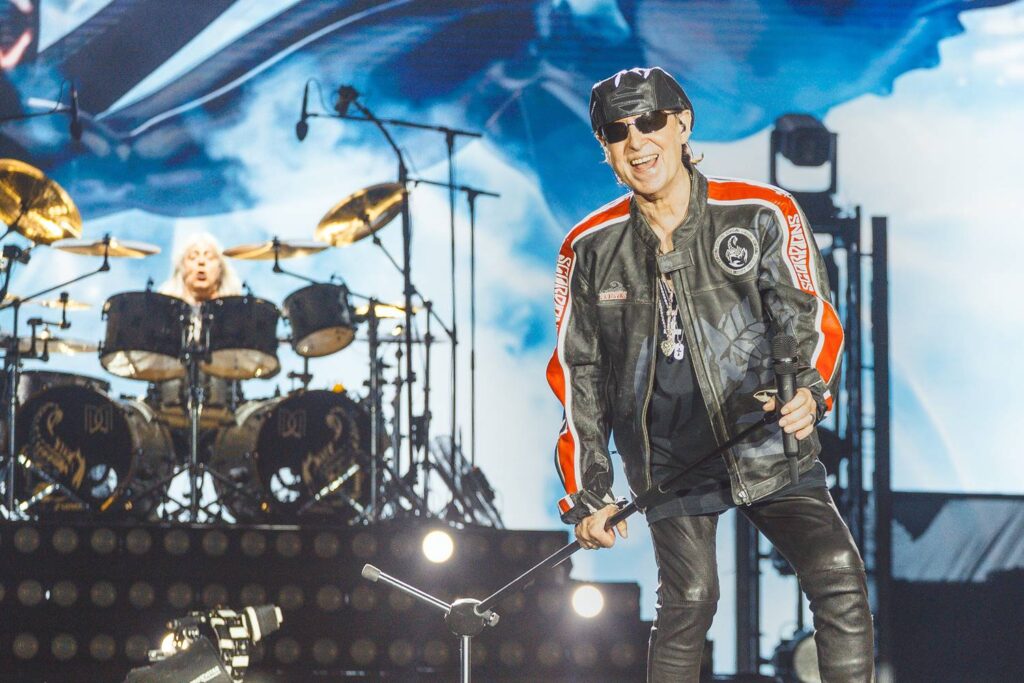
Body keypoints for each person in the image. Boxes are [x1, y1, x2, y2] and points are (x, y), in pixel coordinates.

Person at [547, 67, 873, 681]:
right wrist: (589, 492)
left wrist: (809, 390)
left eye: (650, 122)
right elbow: (578, 374)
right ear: (605, 149)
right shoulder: (587, 247)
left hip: (763, 436)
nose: (637, 142)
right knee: (690, 599)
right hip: (668, 455)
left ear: (682, 125)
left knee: (837, 575)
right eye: (617, 131)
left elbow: (808, 313)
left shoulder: (762, 211)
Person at [159, 232, 242, 305]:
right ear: (182, 267)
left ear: (220, 269)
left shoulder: (235, 310)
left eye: (209, 257)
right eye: (193, 257)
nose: (201, 261)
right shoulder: (164, 308)